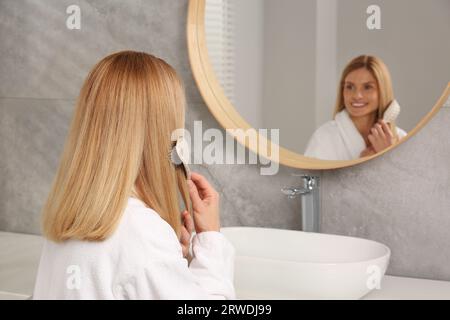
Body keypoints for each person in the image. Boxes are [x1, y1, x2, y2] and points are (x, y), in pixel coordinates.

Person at [32, 51, 235, 299]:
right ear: (164, 135)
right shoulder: (142, 233)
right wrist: (210, 239)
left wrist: (168, 263)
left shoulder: (66, 225)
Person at [304, 55, 407, 160]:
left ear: (383, 91)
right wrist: (361, 165)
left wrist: (388, 157)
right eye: (350, 87)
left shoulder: (401, 139)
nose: (357, 95)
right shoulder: (324, 137)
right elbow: (308, 177)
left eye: (367, 87)